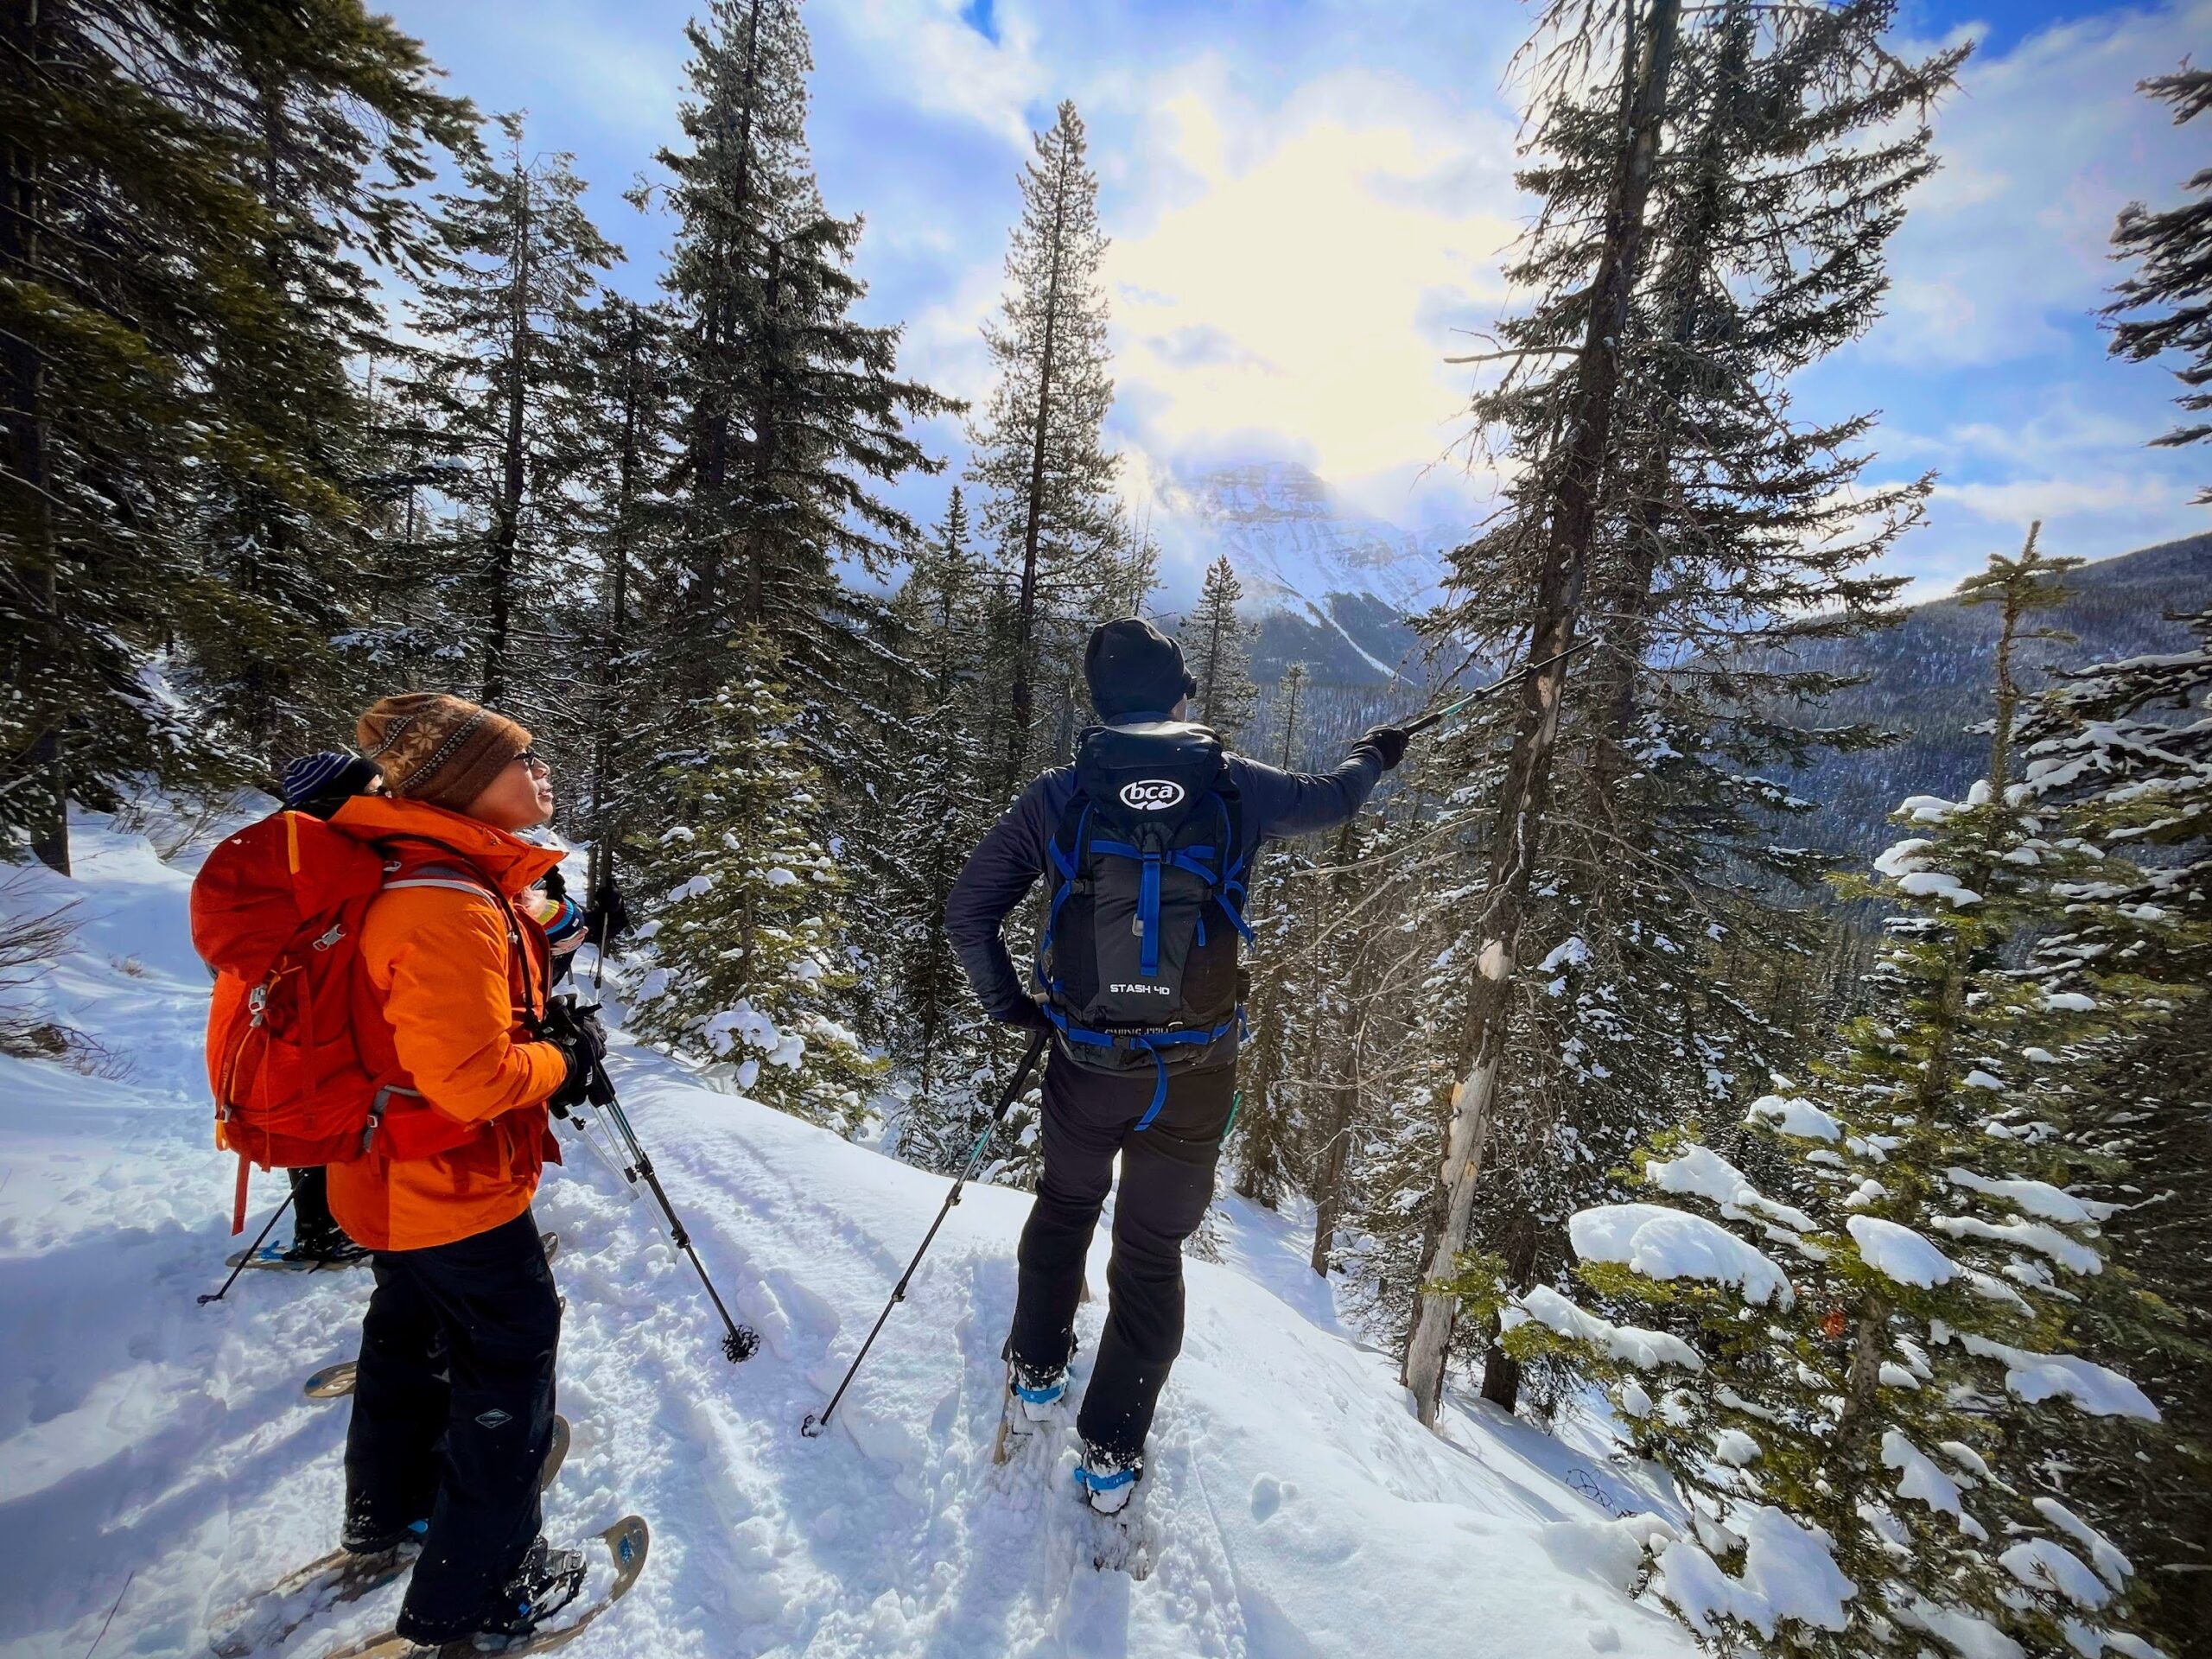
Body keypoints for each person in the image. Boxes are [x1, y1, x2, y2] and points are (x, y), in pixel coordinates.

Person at [946, 618, 1408, 1512]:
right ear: (1177, 693)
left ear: (1098, 701)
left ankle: (1036, 1374)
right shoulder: (1234, 784)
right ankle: (1111, 1456)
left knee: (1065, 1207)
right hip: (1194, 1073)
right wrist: (1374, 755)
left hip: (1085, 1062)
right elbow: (1333, 800)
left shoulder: (1058, 796)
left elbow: (969, 913)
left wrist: (1015, 1008)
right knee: (1151, 1252)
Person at [317, 694, 603, 1645]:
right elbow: (473, 1081)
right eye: (523, 759)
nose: (542, 771)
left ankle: (390, 1508)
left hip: (385, 1167)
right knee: (508, 1360)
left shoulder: (418, 869)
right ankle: (483, 1589)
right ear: (467, 784)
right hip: (449, 1183)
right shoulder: (444, 902)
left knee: (408, 1331)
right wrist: (564, 1058)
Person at [269, 751, 387, 1267]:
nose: (386, 800)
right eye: (375, 791)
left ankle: (322, 1227)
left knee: (319, 1115)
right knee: (328, 1115)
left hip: (298, 1007)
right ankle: (326, 1231)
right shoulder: (322, 852)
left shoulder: (287, 846)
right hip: (319, 1009)